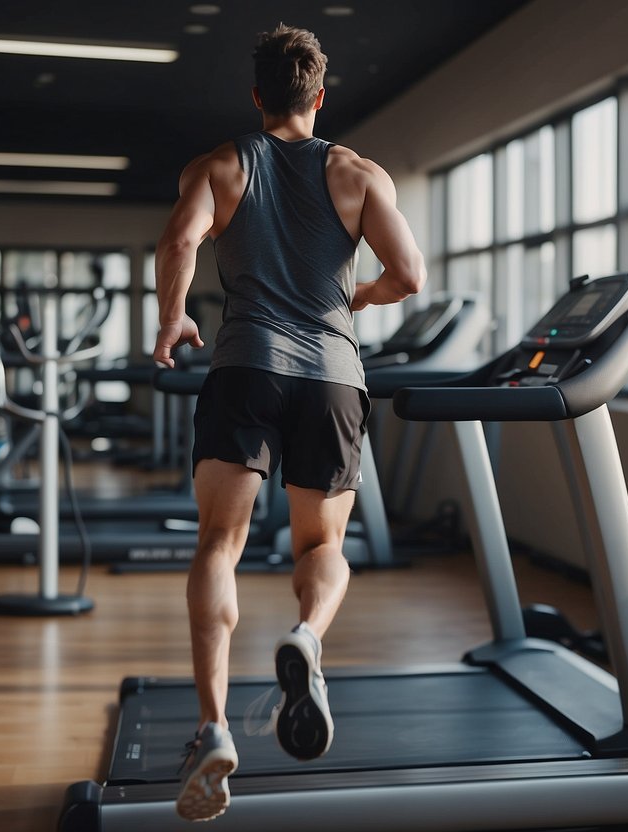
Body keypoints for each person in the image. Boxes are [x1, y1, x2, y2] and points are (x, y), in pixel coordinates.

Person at [151, 23, 426, 822]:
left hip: (244, 370)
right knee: (321, 545)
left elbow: (179, 238)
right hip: (334, 381)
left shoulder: (220, 164)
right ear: (318, 95)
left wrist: (172, 320)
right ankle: (306, 637)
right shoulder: (358, 173)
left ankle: (210, 729)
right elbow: (406, 275)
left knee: (217, 547)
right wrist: (354, 300)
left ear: (256, 95)